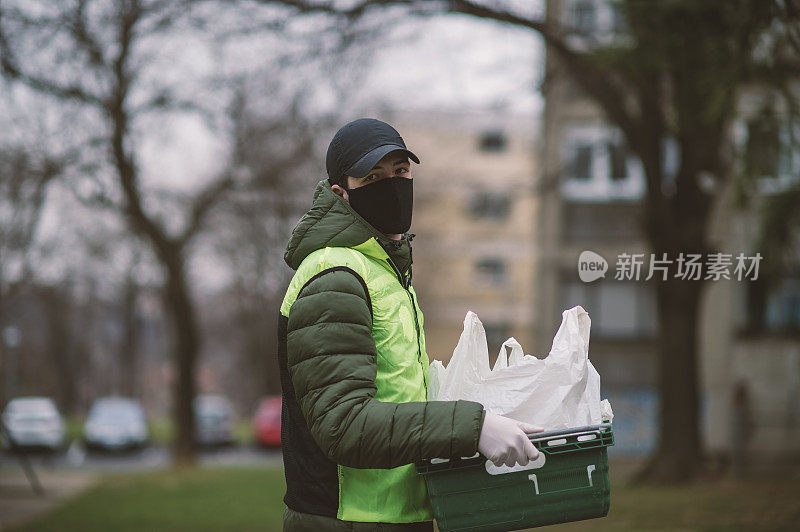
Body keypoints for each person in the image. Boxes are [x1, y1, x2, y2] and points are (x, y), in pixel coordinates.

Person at [277, 118, 542, 531]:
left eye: (400, 172)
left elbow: (397, 397)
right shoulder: (335, 277)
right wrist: (473, 428)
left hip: (398, 516)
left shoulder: (385, 273)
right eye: (373, 177)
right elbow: (344, 425)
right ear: (340, 193)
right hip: (349, 519)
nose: (393, 184)